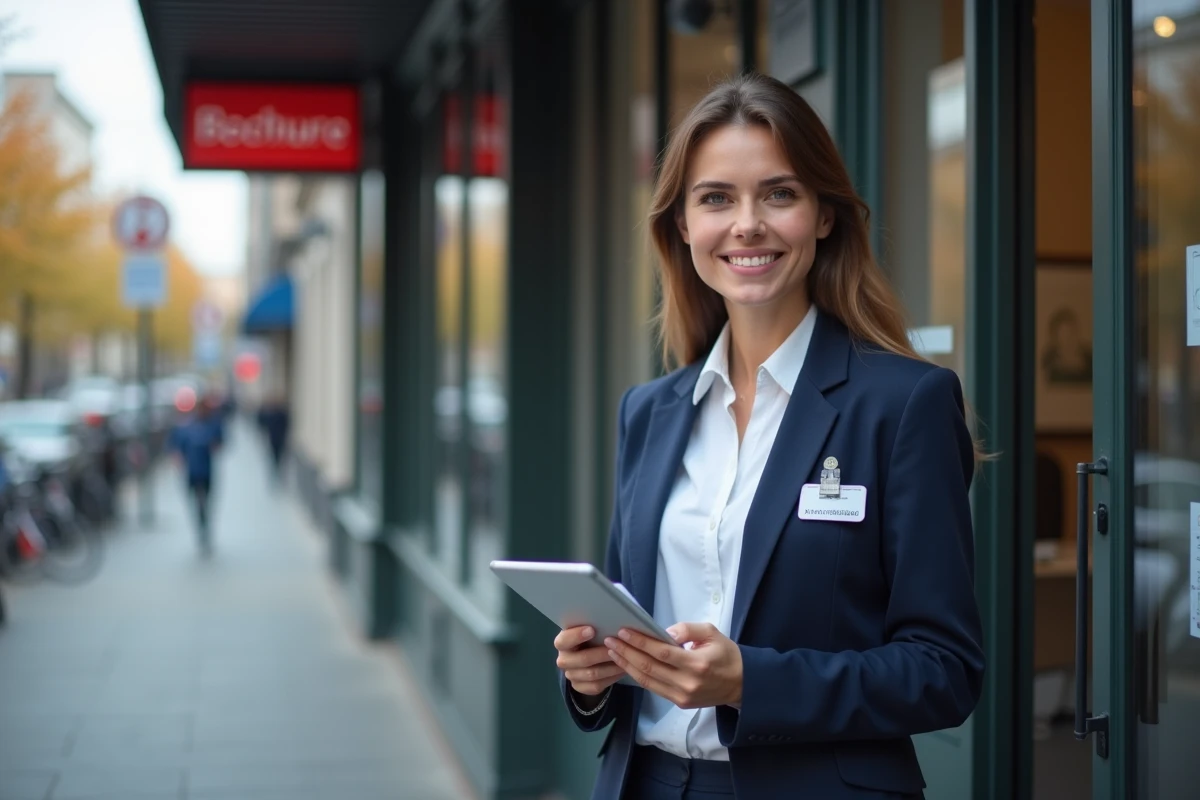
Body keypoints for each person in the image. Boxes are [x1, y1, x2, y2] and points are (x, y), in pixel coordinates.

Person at [554, 73, 985, 800]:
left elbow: (944, 671)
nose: (747, 224)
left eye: (779, 194)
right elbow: (627, 625)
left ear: (823, 215)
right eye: (716, 198)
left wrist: (749, 681)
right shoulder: (649, 411)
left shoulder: (905, 404)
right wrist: (591, 675)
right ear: (682, 225)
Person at [169, 396, 224, 556]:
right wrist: (178, 458)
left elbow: (220, 442)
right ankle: (202, 528)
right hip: (192, 472)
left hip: (206, 471)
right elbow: (175, 447)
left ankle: (204, 528)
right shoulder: (185, 427)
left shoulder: (212, 424)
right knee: (197, 503)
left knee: (206, 502)